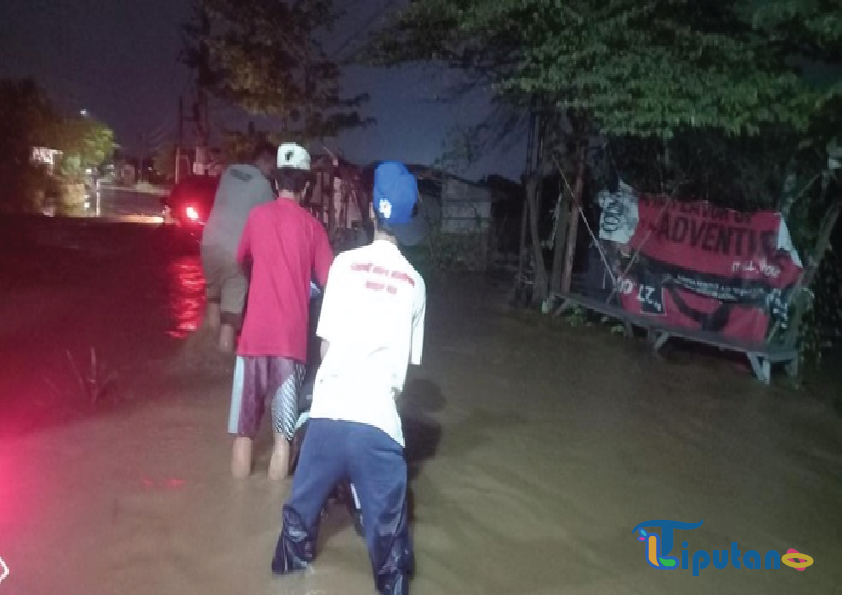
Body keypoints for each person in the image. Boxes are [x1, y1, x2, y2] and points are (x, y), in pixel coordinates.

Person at [272, 161, 427, 595]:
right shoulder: (415, 283)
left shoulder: (341, 266)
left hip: (324, 422)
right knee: (393, 560)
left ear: (372, 214)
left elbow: (324, 349)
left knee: (296, 534)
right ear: (408, 220)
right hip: (377, 430)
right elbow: (404, 375)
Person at [227, 142, 334, 480]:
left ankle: (238, 508)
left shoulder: (257, 217)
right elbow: (332, 282)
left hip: (253, 339)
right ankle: (274, 520)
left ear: (276, 183)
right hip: (291, 344)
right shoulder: (313, 228)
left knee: (244, 434)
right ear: (305, 186)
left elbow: (239, 259)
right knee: (283, 439)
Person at [200, 141, 277, 352]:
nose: (273, 172)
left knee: (213, 300)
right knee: (230, 317)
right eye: (272, 166)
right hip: (234, 251)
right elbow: (267, 225)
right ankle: (221, 364)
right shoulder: (262, 185)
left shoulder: (230, 172)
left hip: (208, 244)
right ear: (264, 160)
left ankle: (204, 349)